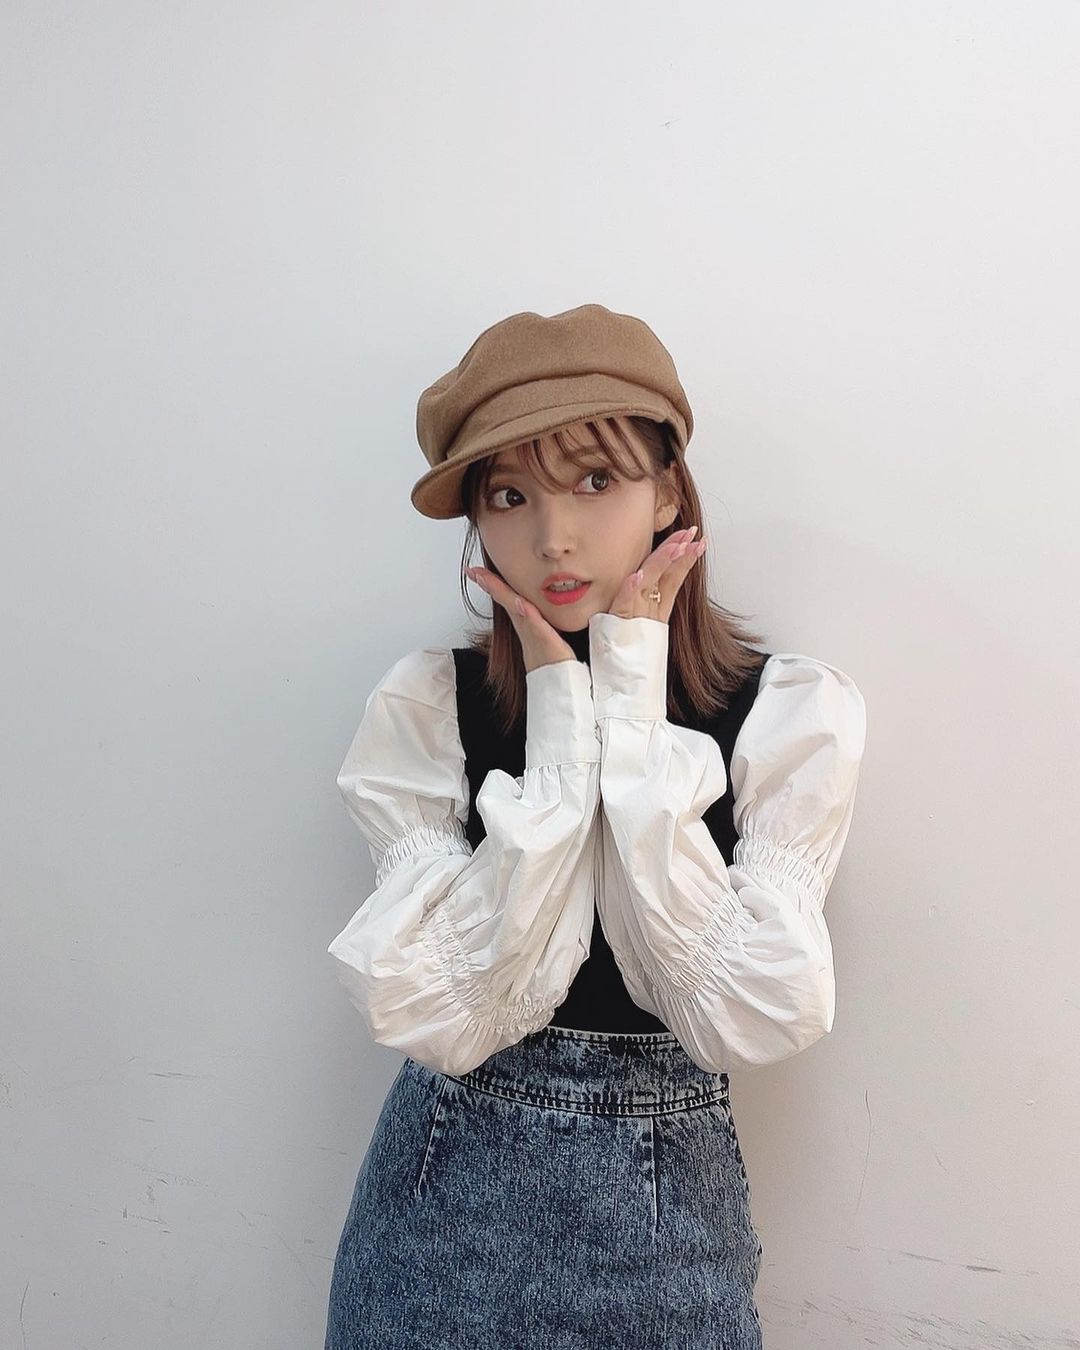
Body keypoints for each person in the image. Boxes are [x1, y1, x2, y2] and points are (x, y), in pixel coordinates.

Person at [322, 303, 868, 1349]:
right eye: (510, 495)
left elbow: (741, 1013)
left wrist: (630, 688)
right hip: (435, 1224)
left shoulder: (786, 713)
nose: (553, 536)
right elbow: (458, 1015)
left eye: (595, 480)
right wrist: (562, 725)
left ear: (667, 490)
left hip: (669, 1239)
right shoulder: (428, 708)